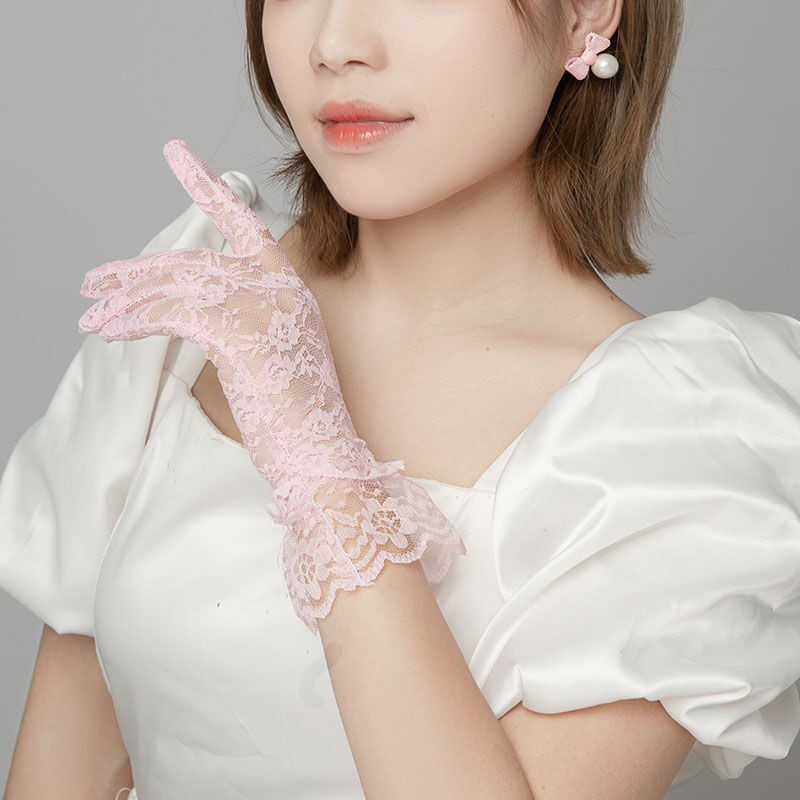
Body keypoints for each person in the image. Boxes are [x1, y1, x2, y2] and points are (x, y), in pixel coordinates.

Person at [2, 0, 799, 798]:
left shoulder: (680, 436)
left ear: (585, 12)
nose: (335, 44)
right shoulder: (214, 296)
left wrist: (318, 464)